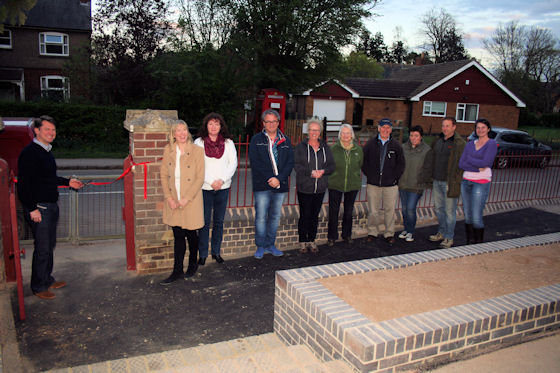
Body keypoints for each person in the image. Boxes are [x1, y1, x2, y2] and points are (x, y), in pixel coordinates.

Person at [17, 116, 84, 300]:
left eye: (53, 130)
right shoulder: (30, 153)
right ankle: (38, 287)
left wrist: (68, 182)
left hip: (50, 205)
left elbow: (48, 178)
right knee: (43, 247)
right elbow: (23, 185)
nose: (51, 133)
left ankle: (47, 279)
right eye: (47, 129)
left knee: (49, 245)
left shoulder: (46, 151)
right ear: (36, 130)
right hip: (40, 207)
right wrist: (32, 209)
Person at [159, 120, 204, 285]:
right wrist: (169, 198)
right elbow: (164, 176)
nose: (182, 133)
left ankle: (192, 264)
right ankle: (177, 270)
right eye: (178, 130)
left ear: (188, 132)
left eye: (184, 129)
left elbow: (200, 178)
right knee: (178, 236)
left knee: (192, 235)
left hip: (190, 201)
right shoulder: (168, 150)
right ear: (173, 134)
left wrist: (186, 198)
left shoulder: (197, 151)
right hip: (174, 201)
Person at [248, 109, 294, 259]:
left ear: (278, 122)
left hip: (280, 185)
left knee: (274, 216)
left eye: (274, 121)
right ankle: (260, 246)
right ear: (263, 123)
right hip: (262, 185)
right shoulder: (256, 140)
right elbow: (256, 163)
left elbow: (290, 163)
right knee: (261, 216)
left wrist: (279, 179)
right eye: (268, 121)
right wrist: (271, 178)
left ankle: (270, 244)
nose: (271, 124)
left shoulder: (285, 140)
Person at [194, 113, 237, 264]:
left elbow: (233, 164)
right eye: (210, 124)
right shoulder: (198, 143)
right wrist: (210, 181)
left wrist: (222, 180)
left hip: (223, 188)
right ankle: (203, 254)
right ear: (206, 126)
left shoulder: (229, 143)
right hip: (205, 187)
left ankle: (216, 252)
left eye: (216, 124)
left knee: (218, 221)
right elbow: (196, 166)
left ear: (221, 126)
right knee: (204, 222)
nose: (213, 127)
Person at [294, 118, 335, 253]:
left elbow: (331, 166)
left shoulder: (325, 148)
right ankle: (302, 241)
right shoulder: (300, 147)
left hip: (320, 188)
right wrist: (311, 172)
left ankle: (312, 240)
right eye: (312, 130)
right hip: (305, 188)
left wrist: (323, 171)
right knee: (304, 215)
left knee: (314, 215)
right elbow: (297, 166)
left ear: (320, 132)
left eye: (317, 130)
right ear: (308, 131)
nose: (314, 132)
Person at [362, 118, 405, 244]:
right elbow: (363, 162)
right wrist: (370, 176)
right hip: (373, 184)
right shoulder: (370, 144)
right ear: (379, 128)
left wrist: (394, 178)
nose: (385, 130)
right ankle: (372, 232)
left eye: (388, 128)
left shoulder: (396, 146)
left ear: (391, 130)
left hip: (390, 185)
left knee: (389, 210)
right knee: (373, 211)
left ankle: (389, 233)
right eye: (383, 127)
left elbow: (401, 164)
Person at [429, 117, 466, 248]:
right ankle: (442, 232)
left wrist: (456, 181)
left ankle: (449, 237)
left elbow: (462, 165)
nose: (445, 128)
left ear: (454, 127)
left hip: (450, 182)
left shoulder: (459, 143)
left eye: (448, 126)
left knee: (450, 212)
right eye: (443, 126)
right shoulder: (438, 140)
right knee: (439, 209)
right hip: (437, 181)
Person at [459, 119, 497, 244]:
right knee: (468, 216)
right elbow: (461, 163)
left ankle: (478, 244)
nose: (480, 130)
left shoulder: (491, 144)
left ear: (488, 129)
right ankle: (469, 243)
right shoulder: (470, 144)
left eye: (483, 127)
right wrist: (477, 167)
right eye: (478, 127)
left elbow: (487, 163)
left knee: (476, 217)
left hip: (481, 183)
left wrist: (470, 159)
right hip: (466, 182)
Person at [327, 124, 363, 246]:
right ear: (340, 135)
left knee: (348, 211)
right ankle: (331, 236)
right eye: (343, 133)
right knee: (333, 211)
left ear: (352, 135)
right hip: (335, 184)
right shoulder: (333, 149)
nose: (346, 135)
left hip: (352, 185)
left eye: (348, 133)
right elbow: (328, 166)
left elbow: (360, 165)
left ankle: (346, 235)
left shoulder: (358, 150)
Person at [398, 126, 433, 242]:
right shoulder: (403, 147)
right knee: (404, 209)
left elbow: (428, 168)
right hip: (403, 184)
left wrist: (421, 180)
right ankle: (406, 229)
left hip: (416, 186)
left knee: (410, 209)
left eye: (416, 136)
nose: (413, 138)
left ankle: (411, 231)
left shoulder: (426, 150)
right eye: (412, 135)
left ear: (421, 137)